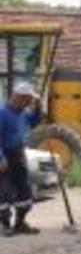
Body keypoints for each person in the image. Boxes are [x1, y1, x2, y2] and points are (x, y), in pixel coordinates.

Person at [0, 82, 43, 236]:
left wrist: (38, 107)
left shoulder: (23, 112)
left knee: (24, 190)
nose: (29, 102)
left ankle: (20, 223)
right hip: (5, 156)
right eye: (28, 99)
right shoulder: (2, 113)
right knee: (3, 192)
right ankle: (5, 225)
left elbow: (34, 123)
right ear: (18, 97)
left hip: (18, 154)